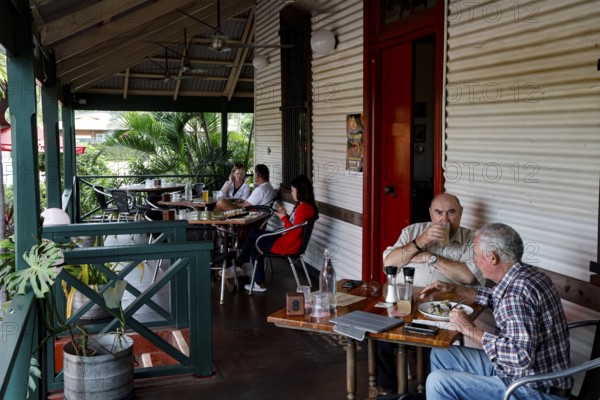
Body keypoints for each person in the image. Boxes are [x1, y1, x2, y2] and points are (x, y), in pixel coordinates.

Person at [422, 223, 572, 400]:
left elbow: (520, 358)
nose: (474, 261)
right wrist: (454, 288)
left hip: (533, 388)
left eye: (476, 255)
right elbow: (496, 296)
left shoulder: (516, 296)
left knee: (438, 382)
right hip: (527, 375)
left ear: (492, 258)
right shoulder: (525, 274)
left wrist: (469, 329)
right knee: (441, 353)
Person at [377, 193, 485, 394]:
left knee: (428, 340)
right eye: (439, 213)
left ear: (461, 213)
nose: (444, 219)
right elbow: (389, 263)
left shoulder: (472, 239)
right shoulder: (413, 231)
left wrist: (430, 258)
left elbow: (469, 276)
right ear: (430, 214)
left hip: (442, 310)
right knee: (378, 333)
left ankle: (427, 390)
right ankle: (388, 391)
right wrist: (421, 242)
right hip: (404, 302)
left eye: (451, 212)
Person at [237, 174, 318, 293]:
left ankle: (252, 276)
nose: (291, 193)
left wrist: (284, 218)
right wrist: (285, 215)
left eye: (293, 190)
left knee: (255, 244)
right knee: (253, 233)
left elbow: (294, 232)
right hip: (289, 239)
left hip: (288, 244)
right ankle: (241, 262)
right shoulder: (308, 206)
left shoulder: (302, 208)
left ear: (300, 190)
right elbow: (296, 225)